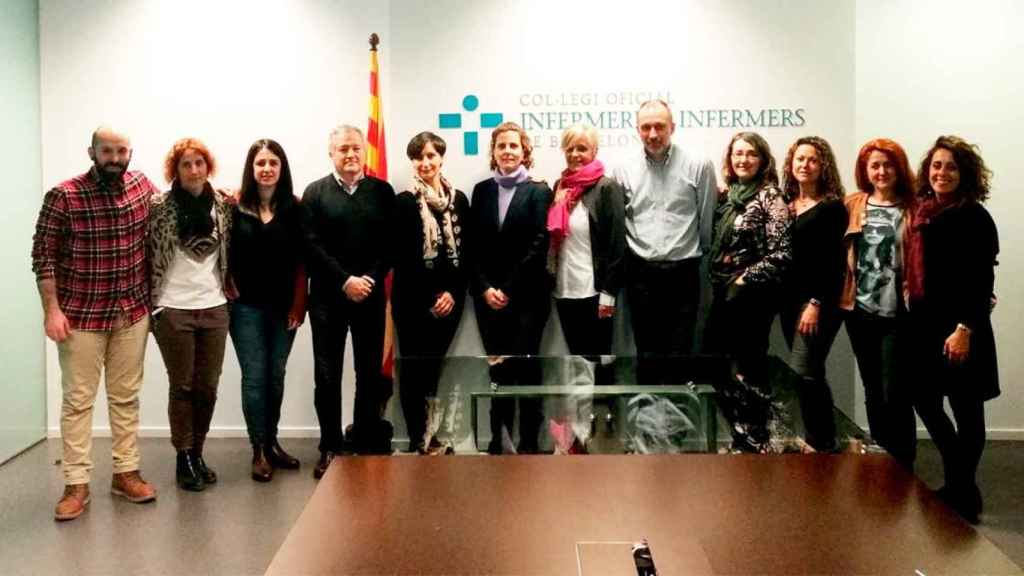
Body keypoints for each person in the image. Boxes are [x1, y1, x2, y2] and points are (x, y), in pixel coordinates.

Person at [32, 126, 158, 520]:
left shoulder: (142, 186)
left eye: (121, 151)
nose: (115, 158)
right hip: (81, 316)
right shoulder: (64, 196)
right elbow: (43, 257)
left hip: (131, 314)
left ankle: (125, 474)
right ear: (92, 152)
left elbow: (173, 208)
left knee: (125, 398)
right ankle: (76, 484)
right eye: (107, 151)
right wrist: (51, 310)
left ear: (130, 153)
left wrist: (224, 195)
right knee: (78, 402)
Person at [907, 136, 999, 523]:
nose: (942, 173)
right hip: (927, 325)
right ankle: (962, 485)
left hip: (962, 328)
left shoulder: (974, 216)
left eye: (951, 167)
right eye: (937, 166)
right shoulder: (923, 212)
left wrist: (964, 328)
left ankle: (961, 488)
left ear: (966, 175)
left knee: (966, 409)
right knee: (925, 401)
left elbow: (980, 282)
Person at [303, 125, 396, 476]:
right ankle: (330, 446)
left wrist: (367, 280)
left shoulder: (382, 192)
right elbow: (311, 246)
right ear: (331, 153)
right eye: (343, 149)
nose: (350, 154)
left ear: (364, 151)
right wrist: (344, 281)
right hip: (328, 299)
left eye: (356, 148)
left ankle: (363, 442)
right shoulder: (315, 193)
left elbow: (390, 244)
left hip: (370, 298)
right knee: (327, 376)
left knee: (368, 374)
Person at [612, 100, 717, 386]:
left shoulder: (698, 164)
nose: (653, 134)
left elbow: (706, 219)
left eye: (660, 126)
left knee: (680, 352)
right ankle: (648, 427)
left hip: (684, 272)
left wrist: (700, 255)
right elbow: (620, 221)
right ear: (637, 130)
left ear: (673, 126)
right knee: (646, 352)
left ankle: (678, 428)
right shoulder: (622, 169)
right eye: (646, 127)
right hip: (640, 272)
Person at [149, 137, 233, 492]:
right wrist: (153, 305)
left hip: (214, 306)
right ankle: (183, 457)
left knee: (208, 388)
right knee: (181, 387)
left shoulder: (223, 204)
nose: (194, 170)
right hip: (173, 309)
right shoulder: (159, 206)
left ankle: (197, 451)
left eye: (199, 162)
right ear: (176, 170)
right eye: (186, 164)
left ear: (207, 166)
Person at [705, 132, 792, 453]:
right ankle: (741, 434)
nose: (743, 160)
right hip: (722, 292)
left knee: (750, 369)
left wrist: (744, 280)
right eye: (737, 154)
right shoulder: (728, 197)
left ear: (763, 160)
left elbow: (782, 253)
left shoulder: (771, 197)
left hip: (752, 298)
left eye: (750, 154)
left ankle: (758, 441)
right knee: (715, 365)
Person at [470, 121, 553, 454]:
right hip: (487, 298)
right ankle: (498, 440)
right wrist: (486, 288)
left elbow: (539, 242)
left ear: (524, 151)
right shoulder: (481, 191)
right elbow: (473, 246)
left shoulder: (538, 190)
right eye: (501, 145)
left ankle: (530, 442)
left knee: (528, 368)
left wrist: (507, 287)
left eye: (513, 146)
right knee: (498, 371)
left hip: (528, 297)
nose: (507, 151)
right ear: (493, 151)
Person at [228, 139, 307, 481]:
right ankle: (258, 449)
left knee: (275, 377)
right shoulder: (233, 206)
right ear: (251, 168)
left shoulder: (296, 207)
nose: (267, 169)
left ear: (282, 168)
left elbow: (304, 261)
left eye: (273, 162)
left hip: (283, 308)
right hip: (245, 308)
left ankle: (272, 442)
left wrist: (299, 303)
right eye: (260, 163)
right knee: (254, 378)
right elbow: (222, 252)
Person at [547, 124, 625, 450]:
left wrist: (609, 293)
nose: (576, 155)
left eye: (582, 148)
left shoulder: (606, 188)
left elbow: (615, 245)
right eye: (570, 149)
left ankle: (602, 435)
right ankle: (577, 435)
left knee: (600, 362)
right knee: (577, 363)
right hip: (565, 290)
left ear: (593, 151)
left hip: (596, 292)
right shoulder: (560, 186)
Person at [841, 138, 917, 468]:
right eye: (875, 165)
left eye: (888, 165)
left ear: (899, 169)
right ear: (865, 171)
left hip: (898, 312)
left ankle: (904, 465)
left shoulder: (912, 207)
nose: (881, 171)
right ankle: (884, 463)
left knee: (895, 393)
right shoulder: (854, 204)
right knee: (872, 390)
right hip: (860, 311)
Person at [392, 132, 469, 455]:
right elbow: (403, 258)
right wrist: (429, 299)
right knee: (413, 373)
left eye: (431, 156)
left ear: (441, 158)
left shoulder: (459, 200)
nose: (425, 163)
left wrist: (451, 293)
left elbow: (468, 255)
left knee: (434, 371)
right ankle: (417, 439)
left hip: (450, 304)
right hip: (413, 304)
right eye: (418, 157)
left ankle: (432, 435)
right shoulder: (404, 201)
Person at [779, 137, 848, 452]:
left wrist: (816, 303)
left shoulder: (832, 208)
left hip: (817, 304)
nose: (804, 165)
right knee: (810, 372)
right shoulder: (786, 204)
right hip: (788, 302)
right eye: (799, 159)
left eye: (812, 160)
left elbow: (834, 264)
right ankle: (819, 439)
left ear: (823, 167)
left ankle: (822, 440)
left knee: (804, 369)